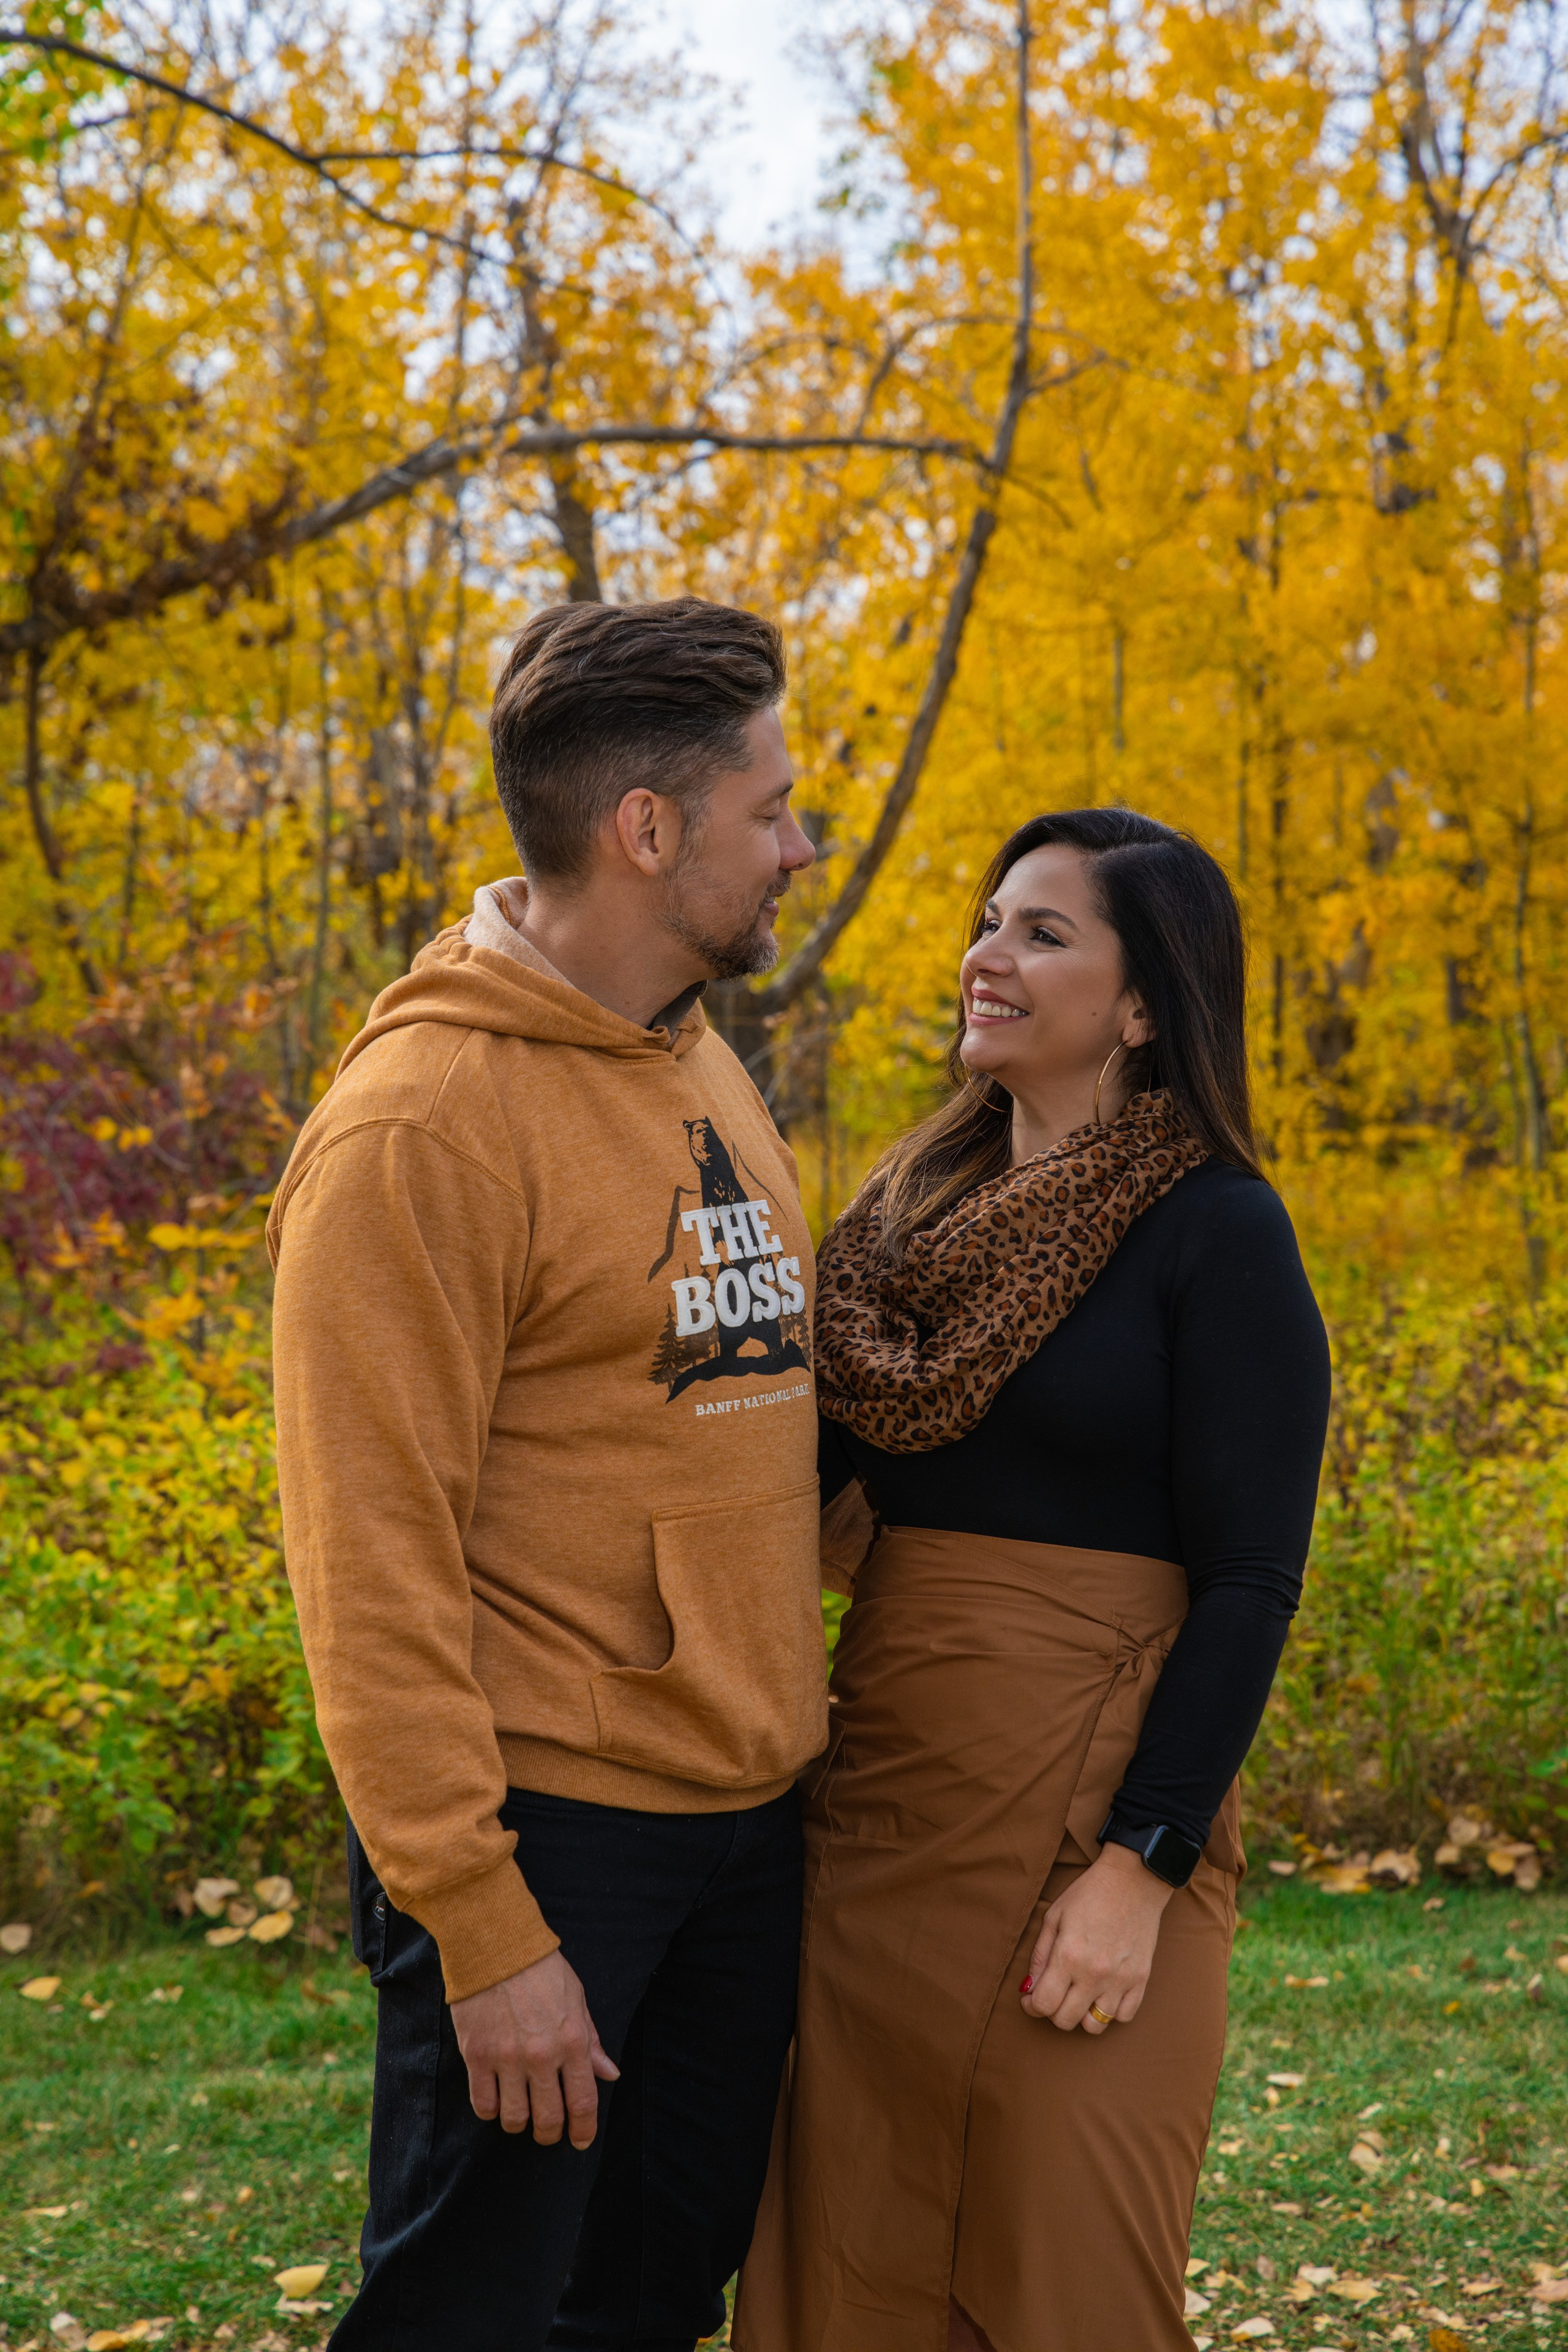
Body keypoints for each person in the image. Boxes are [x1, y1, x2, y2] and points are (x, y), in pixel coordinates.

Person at [268, 597, 827, 2352]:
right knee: (471, 2313)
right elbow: (369, 1566)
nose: (802, 846)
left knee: (653, 2298)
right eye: (773, 808)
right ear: (644, 831)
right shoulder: (420, 1129)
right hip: (549, 1839)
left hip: (742, 1818)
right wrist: (483, 1923)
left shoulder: (695, 1051)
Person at [736, 807, 1332, 2352]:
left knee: (1071, 2273)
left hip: (1099, 1823)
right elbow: (766, 1489)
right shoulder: (894, 1236)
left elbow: (1252, 1581)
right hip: (881, 1824)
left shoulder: (1218, 1230)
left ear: (1143, 1007)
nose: (983, 957)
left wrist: (1139, 1867)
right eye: (989, 920)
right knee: (847, 2267)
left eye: (1041, 933)